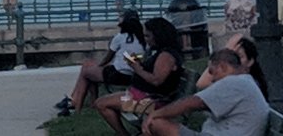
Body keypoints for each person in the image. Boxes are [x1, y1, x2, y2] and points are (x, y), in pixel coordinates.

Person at [141, 49, 270, 136]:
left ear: (223, 67)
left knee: (155, 122)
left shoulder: (234, 83)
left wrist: (156, 113)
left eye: (212, 72)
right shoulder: (243, 81)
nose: (212, 79)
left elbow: (194, 103)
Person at [95, 17, 184, 136]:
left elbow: (156, 80)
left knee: (101, 104)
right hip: (141, 96)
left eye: (148, 36)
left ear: (158, 36)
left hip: (150, 103)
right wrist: (137, 63)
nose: (146, 40)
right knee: (103, 101)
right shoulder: (160, 52)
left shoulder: (166, 55)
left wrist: (136, 68)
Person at [56, 10, 146, 116]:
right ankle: (87, 103)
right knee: (88, 65)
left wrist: (98, 66)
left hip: (118, 74)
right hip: (133, 74)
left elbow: (107, 59)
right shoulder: (143, 39)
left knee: (86, 72)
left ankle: (77, 108)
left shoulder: (120, 37)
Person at [196, 33, 268, 100]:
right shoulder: (234, 80)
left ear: (250, 61)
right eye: (231, 56)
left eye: (239, 56)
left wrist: (227, 50)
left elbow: (202, 83)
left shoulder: (245, 83)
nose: (234, 59)